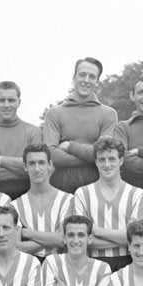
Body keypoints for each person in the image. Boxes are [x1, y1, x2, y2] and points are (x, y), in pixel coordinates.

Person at [42, 57, 118, 193]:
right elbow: (50, 155)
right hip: (60, 186)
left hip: (97, 187)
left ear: (97, 82)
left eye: (92, 77)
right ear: (74, 78)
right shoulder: (54, 113)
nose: (86, 80)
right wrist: (91, 155)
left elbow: (105, 154)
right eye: (82, 75)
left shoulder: (109, 114)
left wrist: (70, 147)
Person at [72, 137, 143, 272]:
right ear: (95, 162)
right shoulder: (82, 193)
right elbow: (80, 239)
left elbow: (138, 238)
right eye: (102, 159)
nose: (107, 164)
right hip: (92, 265)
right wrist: (124, 237)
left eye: (112, 159)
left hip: (128, 263)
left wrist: (96, 231)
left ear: (121, 160)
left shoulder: (136, 194)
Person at [0, 81, 43, 199]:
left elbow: (36, 168)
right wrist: (22, 166)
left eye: (11, 100)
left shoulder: (33, 132)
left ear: (19, 102)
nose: (6, 105)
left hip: (28, 193)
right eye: (1, 100)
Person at [12, 143, 76, 258]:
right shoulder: (14, 206)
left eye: (41, 162)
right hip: (28, 268)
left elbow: (63, 240)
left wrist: (27, 233)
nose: (37, 169)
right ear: (25, 166)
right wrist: (53, 239)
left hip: (59, 267)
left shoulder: (67, 200)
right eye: (31, 163)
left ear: (50, 164)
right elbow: (16, 246)